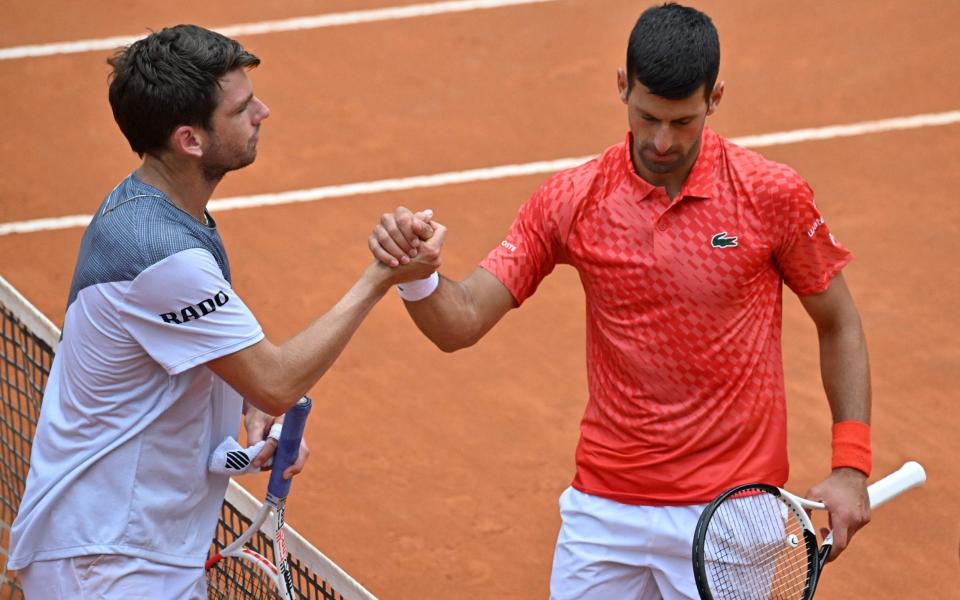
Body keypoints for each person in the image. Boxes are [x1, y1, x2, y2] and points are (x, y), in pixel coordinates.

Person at [369, 3, 872, 598]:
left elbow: (838, 322)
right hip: (604, 507)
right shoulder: (573, 200)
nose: (662, 141)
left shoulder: (770, 195)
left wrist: (850, 465)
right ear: (620, 87)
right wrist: (417, 277)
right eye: (648, 116)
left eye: (683, 121)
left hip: (732, 513)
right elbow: (462, 321)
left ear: (715, 99)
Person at [8, 25, 440, 598]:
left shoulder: (160, 211)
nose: (263, 111)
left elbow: (202, 361)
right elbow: (278, 380)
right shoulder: (161, 253)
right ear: (190, 139)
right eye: (241, 108)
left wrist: (246, 407)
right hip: (108, 561)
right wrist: (381, 275)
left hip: (136, 548)